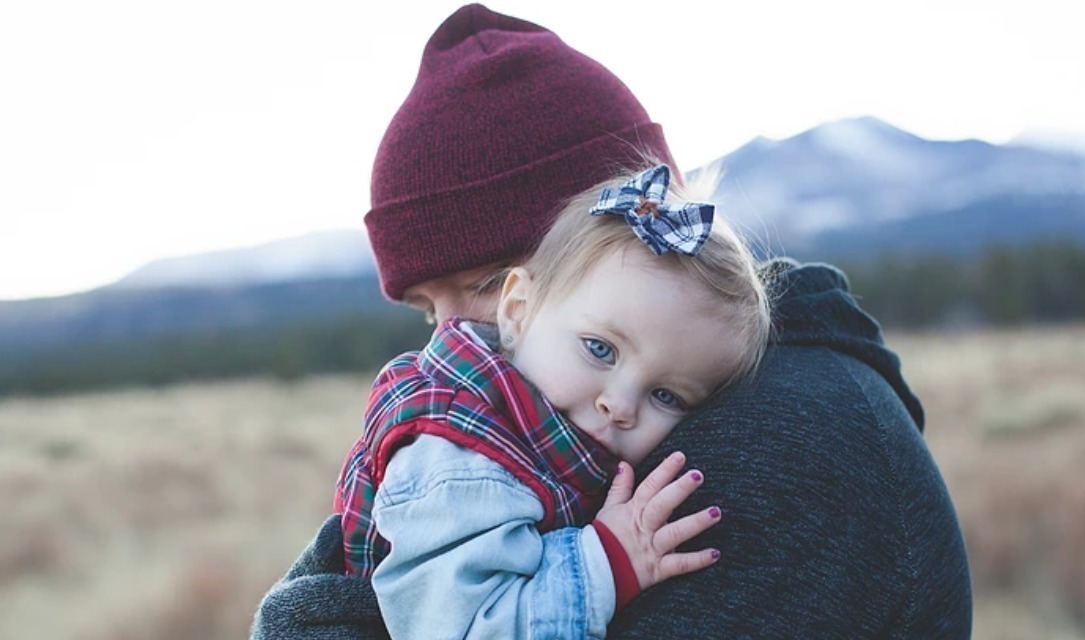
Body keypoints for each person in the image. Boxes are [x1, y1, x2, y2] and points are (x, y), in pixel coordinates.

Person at [252, 4, 973, 640]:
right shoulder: (543, 431)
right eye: (424, 307)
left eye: (481, 284)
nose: (447, 337)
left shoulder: (776, 450)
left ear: (616, 240)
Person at [334, 163, 770, 639]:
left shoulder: (540, 433)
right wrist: (607, 561)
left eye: (666, 395)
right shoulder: (459, 461)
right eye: (600, 349)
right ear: (518, 310)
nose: (621, 405)